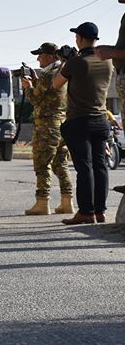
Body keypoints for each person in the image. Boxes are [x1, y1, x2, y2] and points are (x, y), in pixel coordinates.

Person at [53, 22, 114, 224]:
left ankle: (86, 213)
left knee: (84, 167)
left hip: (80, 121)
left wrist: (65, 61)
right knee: (100, 166)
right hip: (100, 120)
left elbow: (56, 83)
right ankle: (100, 211)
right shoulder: (107, 61)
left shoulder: (76, 62)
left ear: (79, 38)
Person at [20, 42, 74, 215]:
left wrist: (28, 87)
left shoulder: (48, 74)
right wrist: (36, 80)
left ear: (50, 57)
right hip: (62, 124)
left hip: (46, 126)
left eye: (40, 55)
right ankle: (67, 202)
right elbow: (49, 93)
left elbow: (36, 99)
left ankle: (42, 203)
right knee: (61, 164)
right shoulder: (63, 72)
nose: (37, 58)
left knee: (42, 164)